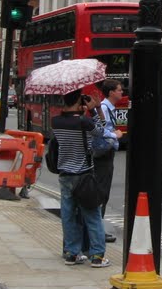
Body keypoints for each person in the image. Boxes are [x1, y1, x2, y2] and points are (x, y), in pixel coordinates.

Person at [52, 88, 109, 268]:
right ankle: (97, 256)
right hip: (83, 175)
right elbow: (101, 131)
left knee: (68, 216)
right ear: (79, 101)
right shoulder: (84, 121)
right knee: (92, 216)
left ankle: (71, 253)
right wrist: (94, 109)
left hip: (65, 176)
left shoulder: (56, 121)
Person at [93, 79, 125, 243]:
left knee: (103, 193)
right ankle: (98, 231)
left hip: (107, 153)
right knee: (101, 192)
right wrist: (115, 135)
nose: (122, 92)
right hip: (103, 155)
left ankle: (98, 229)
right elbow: (99, 130)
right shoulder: (104, 108)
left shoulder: (107, 108)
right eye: (119, 90)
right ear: (111, 92)